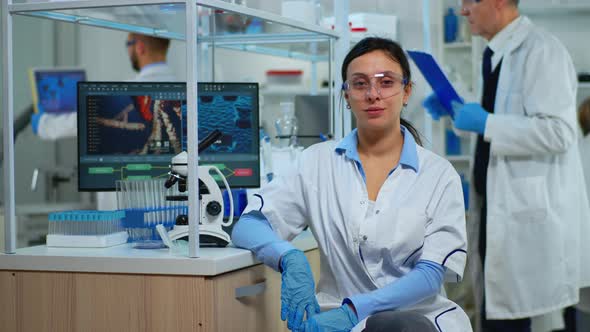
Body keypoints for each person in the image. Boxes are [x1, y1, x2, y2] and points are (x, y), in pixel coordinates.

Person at [232, 37, 472, 332]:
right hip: (333, 319)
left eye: (386, 82)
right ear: (345, 95)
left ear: (406, 91)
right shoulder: (316, 162)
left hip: (417, 319)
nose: (373, 94)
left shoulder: (438, 174)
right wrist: (290, 258)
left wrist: (356, 310)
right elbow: (249, 224)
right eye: (359, 84)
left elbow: (431, 273)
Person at [423, 1, 590, 331]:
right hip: (496, 210)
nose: (462, 11)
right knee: (499, 315)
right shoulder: (494, 54)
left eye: (469, 2)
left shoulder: (542, 50)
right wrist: (457, 110)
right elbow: (505, 115)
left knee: (535, 320)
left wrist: (487, 123)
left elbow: (560, 131)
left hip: (531, 219)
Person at [32, 32, 176, 140]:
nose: (128, 51)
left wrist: (43, 123)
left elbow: (82, 122)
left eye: (128, 45)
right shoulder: (185, 86)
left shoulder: (125, 94)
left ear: (139, 47)